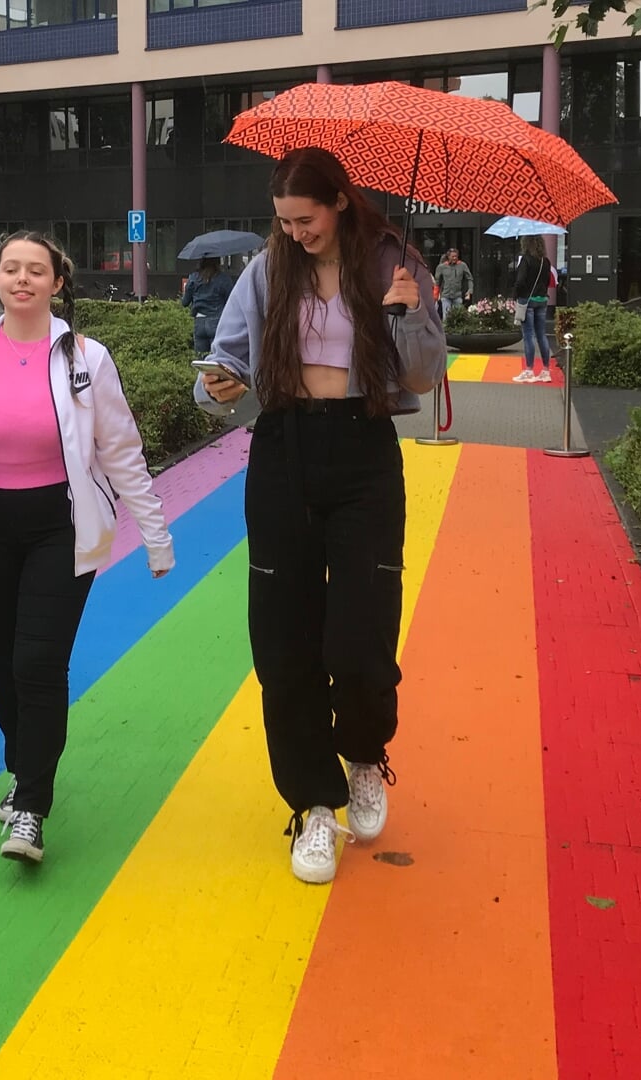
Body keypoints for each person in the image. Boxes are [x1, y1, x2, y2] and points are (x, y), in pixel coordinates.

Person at [192, 147, 444, 885]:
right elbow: (226, 363)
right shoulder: (270, 268)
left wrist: (406, 312)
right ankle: (311, 802)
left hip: (363, 450)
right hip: (284, 447)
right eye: (283, 221)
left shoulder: (394, 263)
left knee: (360, 635)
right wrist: (218, 387)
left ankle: (364, 754)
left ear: (338, 203)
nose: (294, 232)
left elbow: (425, 377)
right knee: (283, 638)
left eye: (304, 219)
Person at [0, 231, 175, 865]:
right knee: (4, 665)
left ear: (57, 283)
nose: (22, 279)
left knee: (39, 663)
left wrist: (155, 533)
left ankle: (33, 805)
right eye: (11, 269)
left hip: (60, 525)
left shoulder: (86, 358)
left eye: (36, 270)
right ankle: (24, 767)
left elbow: (120, 449)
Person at [509, 237, 557, 383]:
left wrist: (514, 295)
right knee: (541, 335)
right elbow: (548, 281)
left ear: (526, 244)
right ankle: (545, 371)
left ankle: (529, 370)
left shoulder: (526, 260)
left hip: (527, 300)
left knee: (528, 335)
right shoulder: (546, 261)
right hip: (542, 300)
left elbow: (521, 280)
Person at [182, 256, 236, 356]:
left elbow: (184, 302)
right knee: (216, 359)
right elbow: (231, 301)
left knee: (200, 361)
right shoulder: (223, 279)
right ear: (217, 262)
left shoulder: (194, 278)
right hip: (217, 322)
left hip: (199, 323)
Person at [431, 248, 474, 323]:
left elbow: (469, 278)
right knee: (446, 318)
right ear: (448, 257)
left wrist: (469, 290)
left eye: (456, 256)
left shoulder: (462, 265)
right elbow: (437, 282)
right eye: (453, 256)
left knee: (458, 318)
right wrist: (435, 296)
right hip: (446, 296)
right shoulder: (442, 267)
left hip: (458, 295)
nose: (454, 258)